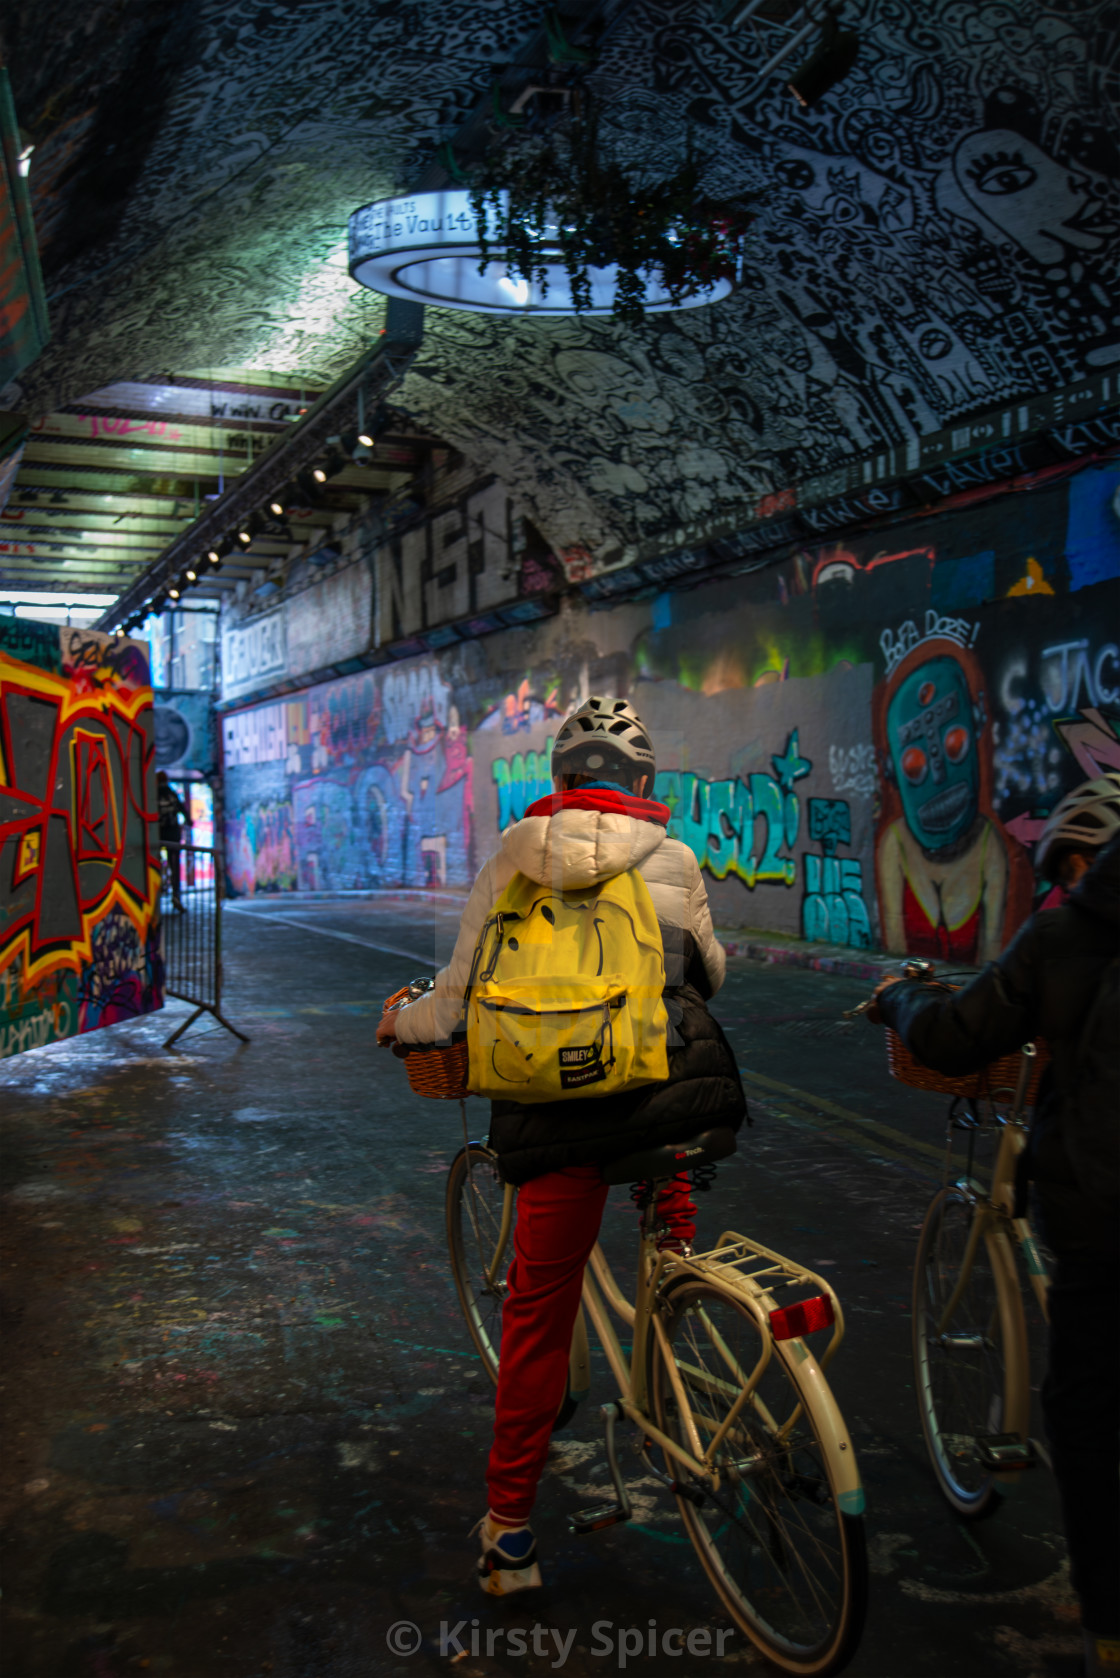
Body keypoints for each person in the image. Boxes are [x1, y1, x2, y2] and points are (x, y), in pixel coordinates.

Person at [376, 695, 746, 1595]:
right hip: (667, 1097)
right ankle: (677, 1280)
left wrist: (398, 1026)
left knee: (538, 1313)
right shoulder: (676, 857)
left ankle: (509, 1534)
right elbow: (710, 972)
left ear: (560, 780)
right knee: (664, 1165)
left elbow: (459, 1003)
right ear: (643, 783)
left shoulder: (511, 859)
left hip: (554, 1113)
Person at [872, 774, 1120, 1678]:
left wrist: (898, 998)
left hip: (1103, 1216)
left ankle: (1109, 1629)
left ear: (1086, 863)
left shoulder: (1060, 937)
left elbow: (951, 1033)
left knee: (1087, 1410)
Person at [156, 771, 189, 911]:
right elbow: (183, 810)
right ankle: (176, 895)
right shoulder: (172, 793)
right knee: (174, 866)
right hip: (173, 835)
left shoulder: (153, 794)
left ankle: (156, 893)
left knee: (153, 864)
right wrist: (189, 821)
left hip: (158, 835)